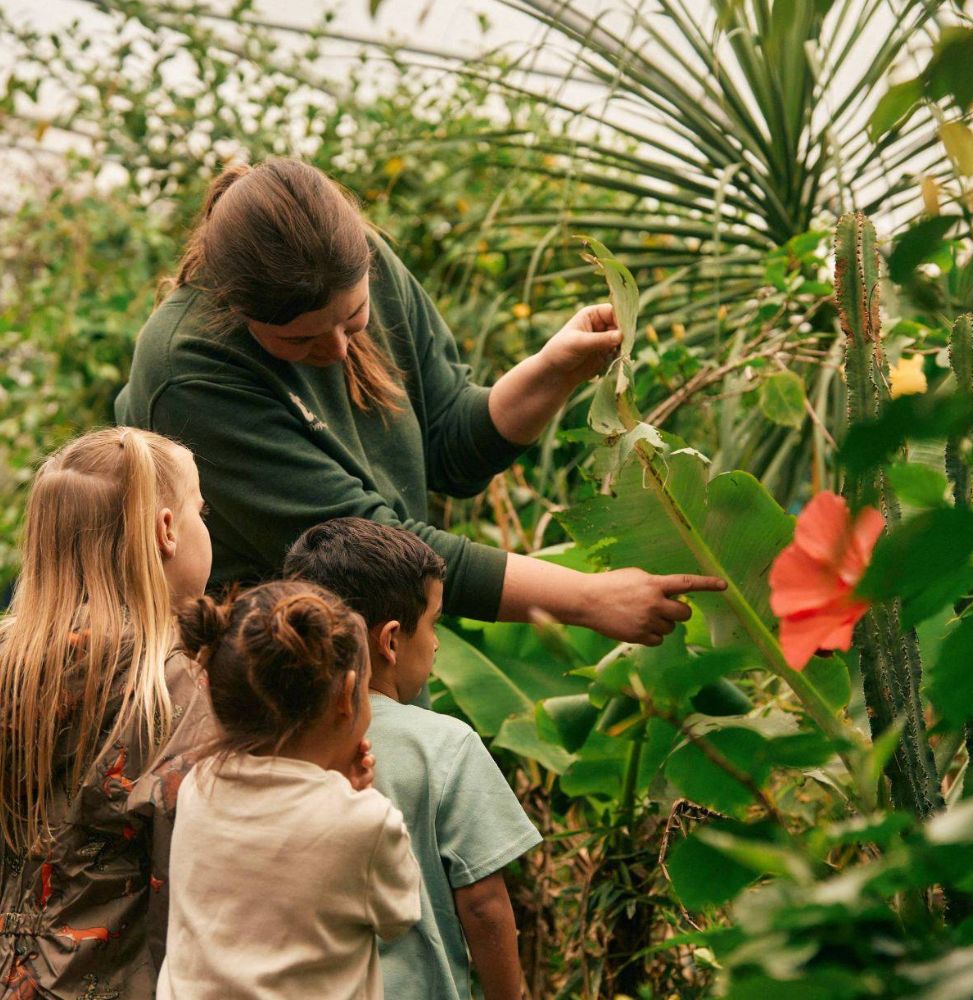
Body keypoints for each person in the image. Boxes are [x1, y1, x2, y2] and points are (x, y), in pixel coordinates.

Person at [115, 157, 725, 648]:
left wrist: (553, 370)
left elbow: (452, 450)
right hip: (265, 687)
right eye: (299, 341)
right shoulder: (188, 371)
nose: (337, 349)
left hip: (381, 650)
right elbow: (365, 551)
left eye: (354, 318)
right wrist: (587, 599)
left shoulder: (364, 261)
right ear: (236, 308)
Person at [0, 427, 217, 999]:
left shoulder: (8, 664)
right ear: (166, 530)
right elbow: (195, 880)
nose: (204, 526)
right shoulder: (175, 685)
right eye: (200, 512)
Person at [285, 518, 542, 1000]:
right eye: (433, 622)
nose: (437, 641)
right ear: (390, 640)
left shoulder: (264, 742)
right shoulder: (445, 746)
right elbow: (484, 906)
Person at [158, 580, 421, 1000]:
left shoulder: (198, 787)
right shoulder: (366, 823)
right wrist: (355, 799)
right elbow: (399, 915)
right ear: (346, 696)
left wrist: (337, 793)